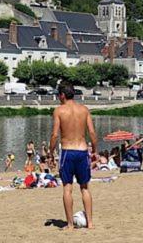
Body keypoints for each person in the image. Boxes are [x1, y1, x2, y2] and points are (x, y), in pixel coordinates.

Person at [49, 82, 97, 230]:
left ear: (62, 95)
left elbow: (55, 135)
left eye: (58, 95)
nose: (58, 97)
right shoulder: (84, 110)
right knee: (85, 188)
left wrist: (50, 153)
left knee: (67, 188)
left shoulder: (59, 111)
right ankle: (90, 224)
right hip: (82, 151)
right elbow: (92, 133)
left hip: (68, 152)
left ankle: (70, 224)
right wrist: (94, 150)